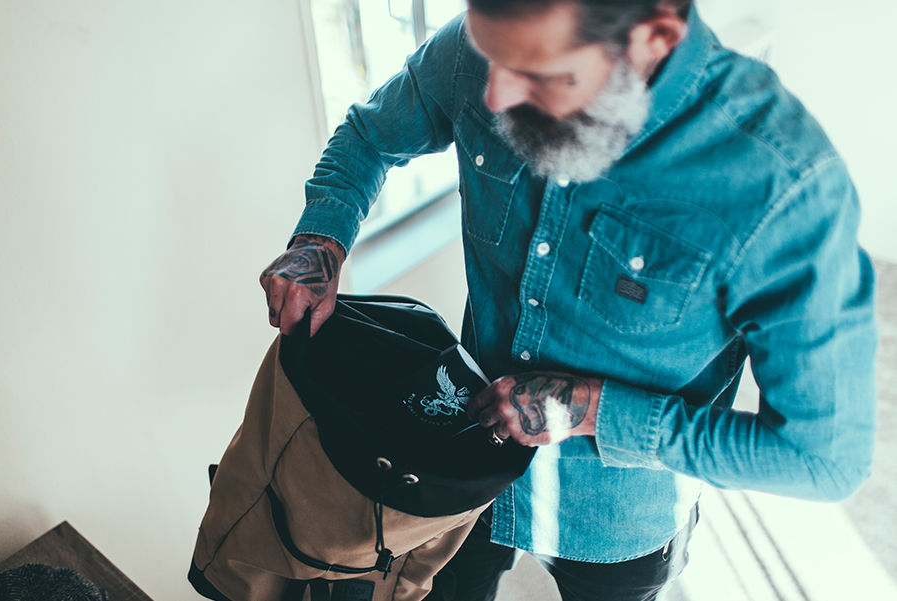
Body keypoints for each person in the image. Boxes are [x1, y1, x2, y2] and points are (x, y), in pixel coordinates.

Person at [259, 0, 878, 599]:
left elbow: (822, 459)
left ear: (655, 36)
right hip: (457, 463)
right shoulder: (493, 44)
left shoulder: (784, 186)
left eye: (539, 72)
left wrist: (593, 411)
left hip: (620, 522)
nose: (493, 95)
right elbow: (370, 134)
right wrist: (319, 243)